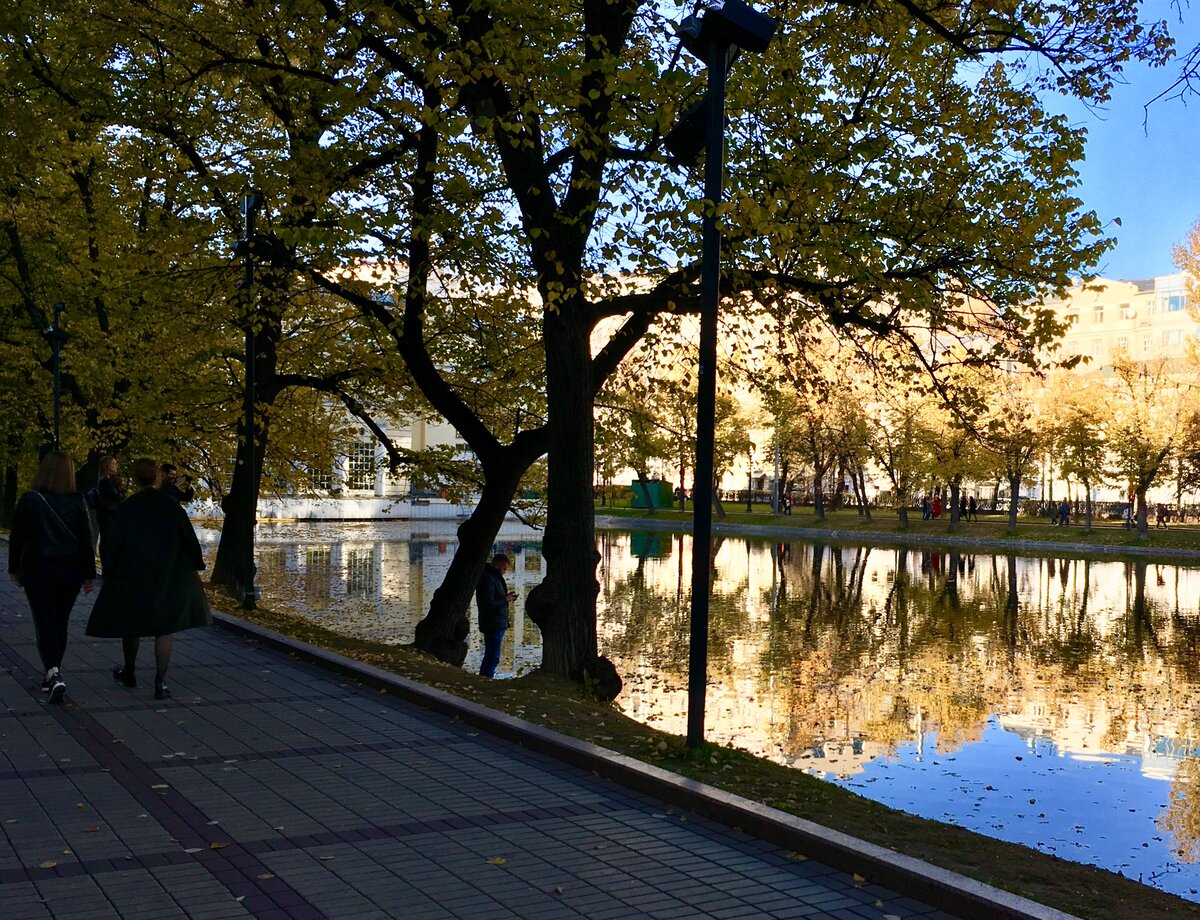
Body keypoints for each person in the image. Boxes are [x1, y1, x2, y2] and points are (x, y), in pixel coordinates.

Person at [86, 458, 211, 700]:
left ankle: (130, 672)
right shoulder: (171, 506)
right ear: (157, 477)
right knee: (164, 628)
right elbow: (189, 539)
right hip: (167, 573)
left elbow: (113, 542)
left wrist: (111, 571)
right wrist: (196, 564)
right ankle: (160, 682)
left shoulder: (128, 507)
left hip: (133, 573)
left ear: (135, 479)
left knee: (131, 623)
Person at [8, 451, 96, 703]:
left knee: (44, 620)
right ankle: (53, 672)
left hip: (39, 570)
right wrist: (89, 574)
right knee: (60, 621)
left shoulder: (30, 500)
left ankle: (53, 673)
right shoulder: (78, 501)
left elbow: (18, 538)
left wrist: (14, 568)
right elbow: (86, 541)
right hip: (70, 572)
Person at [476, 553, 516, 679]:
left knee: (492, 654)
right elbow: (488, 604)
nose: (504, 572)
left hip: (496, 622)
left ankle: (486, 677)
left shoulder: (492, 577)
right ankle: (486, 678)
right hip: (493, 623)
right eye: (504, 568)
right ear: (498, 565)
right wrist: (506, 599)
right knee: (492, 655)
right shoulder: (488, 578)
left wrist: (506, 598)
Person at [93, 455, 127, 571]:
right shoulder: (104, 481)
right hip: (108, 513)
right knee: (107, 540)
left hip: (112, 513)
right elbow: (116, 496)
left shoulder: (111, 480)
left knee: (110, 540)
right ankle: (107, 567)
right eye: (113, 463)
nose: (116, 465)